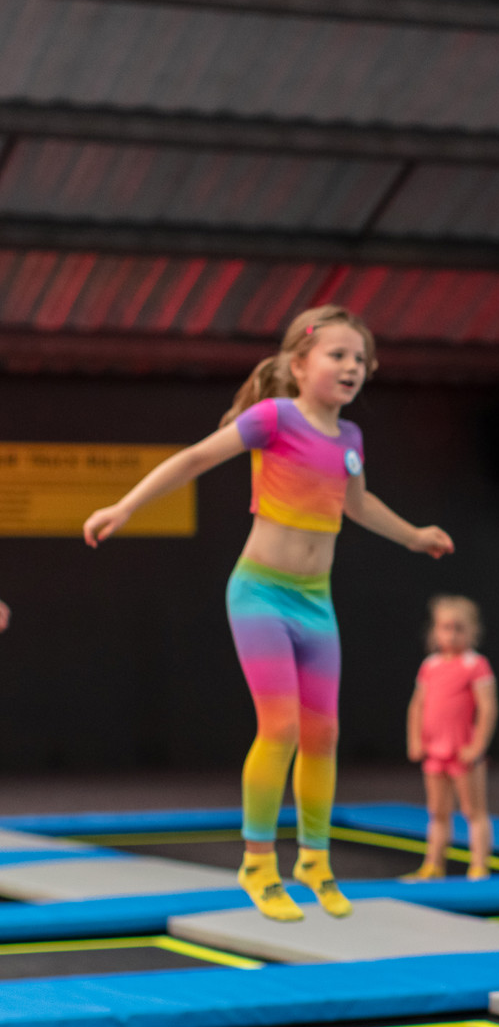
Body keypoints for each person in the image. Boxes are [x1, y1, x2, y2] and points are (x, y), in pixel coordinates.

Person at [83, 305, 454, 922]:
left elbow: (357, 505)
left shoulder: (351, 440)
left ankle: (314, 858)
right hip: (260, 593)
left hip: (315, 602)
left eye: (360, 359)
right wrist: (125, 507)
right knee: (279, 727)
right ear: (298, 363)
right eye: (337, 355)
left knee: (323, 734)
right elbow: (195, 459)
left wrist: (414, 535)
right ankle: (258, 862)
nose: (351, 368)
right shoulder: (273, 418)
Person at [406, 595, 498, 881]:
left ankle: (479, 865)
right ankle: (433, 864)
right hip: (435, 750)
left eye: (459, 628)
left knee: (473, 810)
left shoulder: (476, 665)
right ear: (435, 631)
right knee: (437, 811)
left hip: (463, 750)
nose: (451, 634)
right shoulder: (430, 666)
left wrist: (478, 745)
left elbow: (488, 707)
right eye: (445, 627)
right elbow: (417, 705)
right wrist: (415, 740)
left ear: (473, 632)